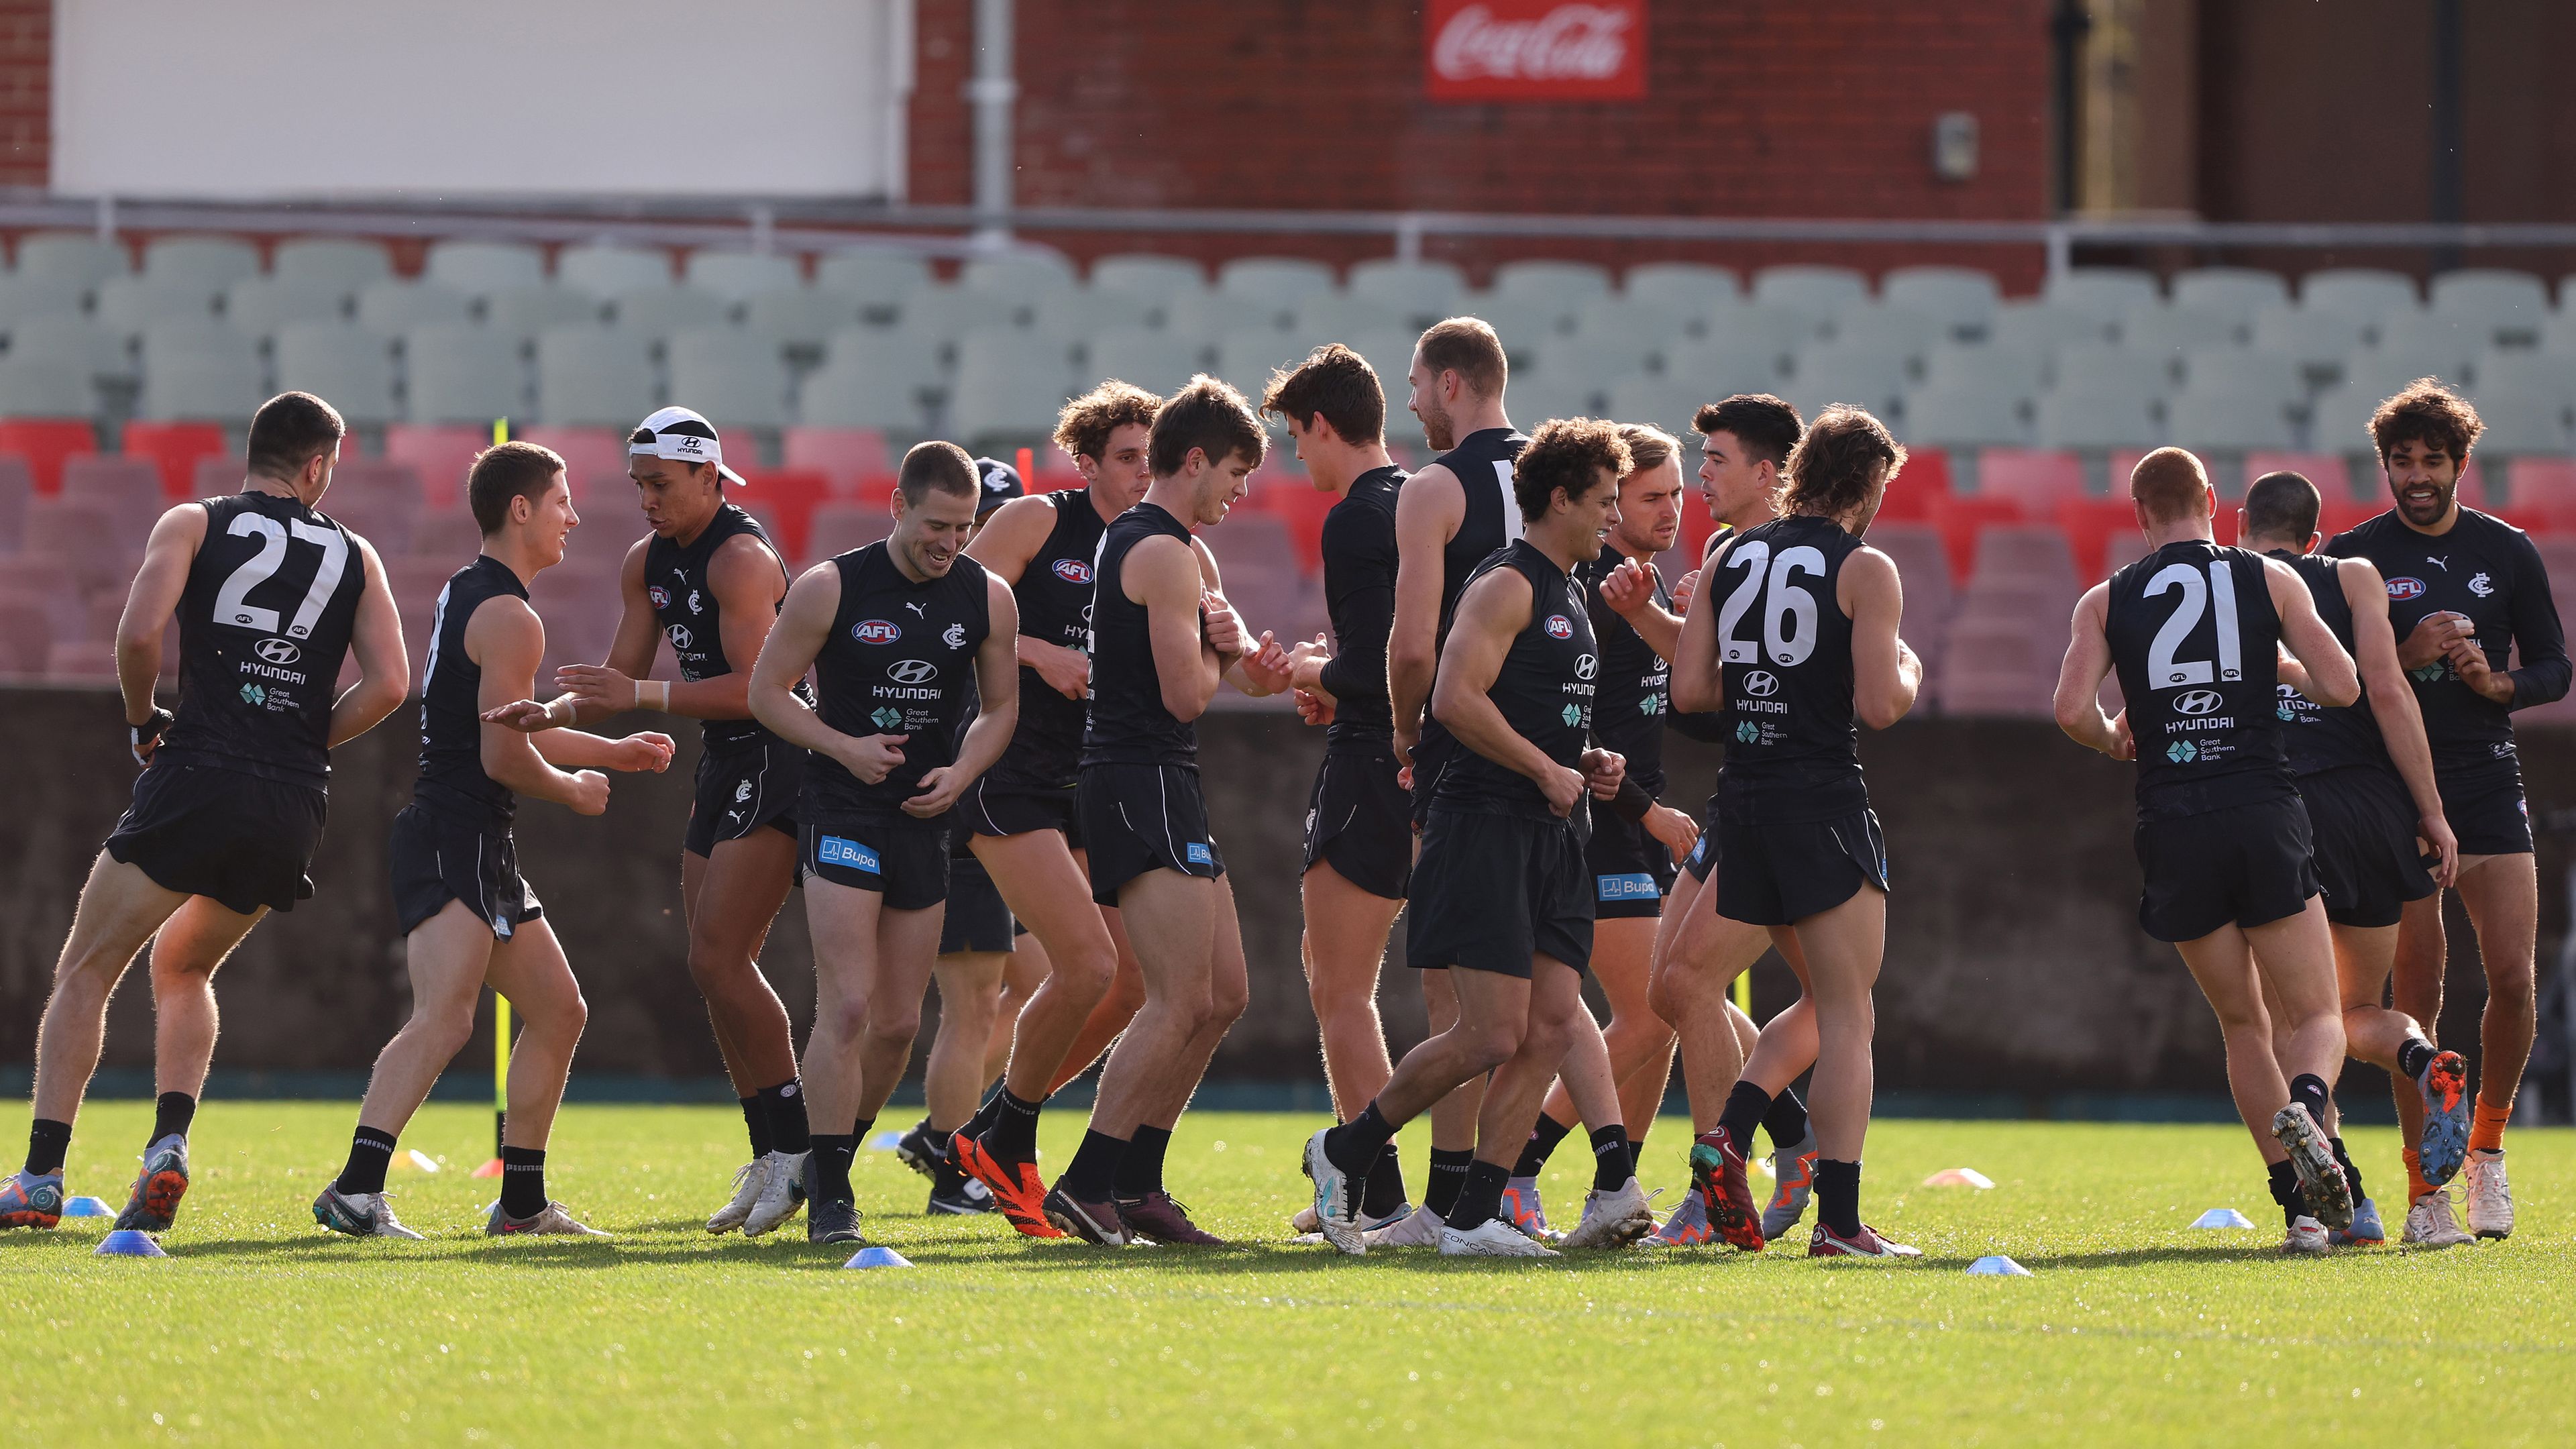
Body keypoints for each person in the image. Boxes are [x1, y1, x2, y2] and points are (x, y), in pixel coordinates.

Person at [1, 393, 409, 1237]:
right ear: (318, 466)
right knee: (185, 967)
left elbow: (139, 634)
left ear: (255, 452)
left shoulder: (193, 521)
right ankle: (169, 1142)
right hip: (291, 799)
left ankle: (40, 1176)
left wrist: (144, 720)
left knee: (87, 969)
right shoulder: (358, 553)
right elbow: (393, 684)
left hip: (198, 773)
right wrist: (304, 737)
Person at [1306, 417, 1654, 1258]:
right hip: (1485, 824)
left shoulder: (1572, 589)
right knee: (1491, 1033)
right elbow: (1454, 699)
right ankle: (1343, 1150)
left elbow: (1534, 712)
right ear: (1560, 498)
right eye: (1604, 501)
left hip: (1550, 829)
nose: (1612, 517)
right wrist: (1543, 768)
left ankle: (1471, 1220)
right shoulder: (1507, 583)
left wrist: (1588, 763)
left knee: (1549, 1025)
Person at [314, 442, 674, 1240]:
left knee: (560, 1010)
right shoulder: (513, 615)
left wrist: (613, 752)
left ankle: (520, 1204)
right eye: (561, 502)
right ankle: (355, 1189)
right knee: (445, 1018)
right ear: (521, 510)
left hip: (474, 839)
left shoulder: (473, 592)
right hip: (456, 835)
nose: (574, 517)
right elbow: (503, 755)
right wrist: (577, 789)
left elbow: (512, 724)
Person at [482, 407, 814, 1238]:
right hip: (728, 761)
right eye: (639, 485)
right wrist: (551, 709)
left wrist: (645, 700)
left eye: (661, 485)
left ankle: (796, 1150)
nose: (647, 501)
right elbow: (620, 671)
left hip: (780, 757)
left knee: (719, 955)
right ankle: (768, 1150)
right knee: (711, 967)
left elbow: (762, 689)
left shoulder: (740, 558)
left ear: (710, 476)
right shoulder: (649, 560)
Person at [2053, 446, 2361, 1255]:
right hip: (2260, 807)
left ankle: (2298, 1210)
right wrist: (2284, 667)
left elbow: (2068, 709)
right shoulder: (2270, 578)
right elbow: (2343, 686)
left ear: (2139, 515)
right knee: (2320, 1013)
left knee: (2240, 1024)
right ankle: (2308, 1103)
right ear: (2214, 502)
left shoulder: (2106, 597)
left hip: (2174, 821)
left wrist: (2114, 740)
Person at [746, 441, 1020, 1244]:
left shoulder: (988, 596)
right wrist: (843, 747)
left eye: (965, 528)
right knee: (853, 1004)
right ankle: (832, 1193)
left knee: (900, 1023)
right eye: (938, 524)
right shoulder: (832, 585)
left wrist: (964, 769)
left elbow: (1001, 710)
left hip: (928, 821)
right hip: (842, 810)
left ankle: (824, 1159)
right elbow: (768, 693)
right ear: (897, 507)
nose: (951, 542)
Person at [1040, 377, 1291, 1246]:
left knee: (1223, 994)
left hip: (1158, 779)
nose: (1241, 492)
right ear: (1193, 462)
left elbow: (1236, 669)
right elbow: (1189, 693)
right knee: (1179, 996)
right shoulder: (1162, 551)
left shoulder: (1166, 547)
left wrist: (1260, 660)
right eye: (1234, 472)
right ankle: (1089, 1180)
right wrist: (1222, 657)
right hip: (1137, 777)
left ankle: (1138, 1183)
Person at [1670, 405, 1922, 1259]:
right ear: (1865, 484)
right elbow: (1882, 705)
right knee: (1851, 1015)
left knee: (1820, 998)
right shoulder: (1866, 567)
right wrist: (1911, 667)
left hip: (1744, 802)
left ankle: (1728, 1135)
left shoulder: (1729, 556)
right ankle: (1842, 1227)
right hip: (1821, 799)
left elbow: (1693, 692)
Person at [2324, 379, 2567, 1242]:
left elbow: (2553, 667)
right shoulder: (2351, 557)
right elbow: (2330, 688)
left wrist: (2499, 683)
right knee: (2414, 995)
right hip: (2395, 790)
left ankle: (2488, 1157)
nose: (2416, 476)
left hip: (2487, 780)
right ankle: (2429, 1190)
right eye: (2402, 461)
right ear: (2385, 464)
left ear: (2462, 464)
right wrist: (2405, 648)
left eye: (2432, 461)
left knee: (2511, 977)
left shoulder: (2507, 551)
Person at [945, 383, 1159, 1238]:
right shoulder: (1040, 520)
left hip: (1092, 786)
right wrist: (1039, 654)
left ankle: (999, 1129)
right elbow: (953, 611)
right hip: (1011, 774)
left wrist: (1264, 662)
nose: (1143, 474)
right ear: (1087, 460)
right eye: (1127, 458)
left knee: (1134, 982)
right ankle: (1005, 1135)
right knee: (1090, 966)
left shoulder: (1158, 548)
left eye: (1152, 459)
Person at [2239, 470, 2469, 1248]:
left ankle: (2347, 1202)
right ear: (2318, 534)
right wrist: (2432, 810)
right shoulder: (2356, 575)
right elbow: (2390, 691)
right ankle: (2421, 1056)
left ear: (2242, 525)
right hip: (2373, 808)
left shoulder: (2229, 583)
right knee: (2357, 1010)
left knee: (2291, 1024)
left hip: (2282, 810)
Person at [1501, 424, 1705, 1237]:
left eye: (1678, 493)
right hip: (1606, 828)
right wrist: (1646, 812)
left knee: (1651, 1022)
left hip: (1638, 825)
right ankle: (1517, 1171)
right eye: (1651, 496)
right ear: (1609, 501)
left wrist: (1685, 634)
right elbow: (1572, 735)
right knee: (1652, 1014)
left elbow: (1677, 717)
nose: (1670, 510)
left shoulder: (1646, 589)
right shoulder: (1586, 593)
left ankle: (1610, 1191)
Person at [1642, 396, 1823, 1248]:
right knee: (1666, 988)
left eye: (1714, 460)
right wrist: (1667, 620)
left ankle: (1720, 1195)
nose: (1699, 477)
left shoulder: (1802, 557)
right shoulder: (1724, 555)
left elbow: (1728, 695)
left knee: (1689, 985)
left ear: (1767, 474)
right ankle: (1790, 1145)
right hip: (1739, 797)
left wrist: (1658, 623)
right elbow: (1709, 698)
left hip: (1787, 804)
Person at [1258, 345, 1421, 1238]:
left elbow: (1380, 664)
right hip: (1427, 759)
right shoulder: (1427, 501)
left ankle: (1377, 1189)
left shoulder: (1359, 516)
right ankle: (1432, 1187)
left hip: (1370, 762)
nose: (1298, 459)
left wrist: (1317, 670)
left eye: (1296, 439)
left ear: (1324, 424)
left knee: (1341, 990)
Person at [1378, 315, 1532, 1239]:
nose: (1408, 401)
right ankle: (1504, 1192)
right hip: (1551, 755)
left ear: (1449, 385)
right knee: (1544, 989)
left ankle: (1437, 1193)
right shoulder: (1558, 472)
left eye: (1415, 382)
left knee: (1457, 989)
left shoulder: (1435, 486)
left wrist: (1406, 735)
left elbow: (1410, 648)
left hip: (1468, 758)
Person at [892, 455, 1047, 1217]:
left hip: (1009, 813)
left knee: (1059, 980)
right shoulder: (952, 607)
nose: (971, 542)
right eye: (963, 527)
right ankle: (952, 1161)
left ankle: (947, 1135)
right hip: (966, 811)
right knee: (970, 1003)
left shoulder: (991, 605)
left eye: (980, 526)